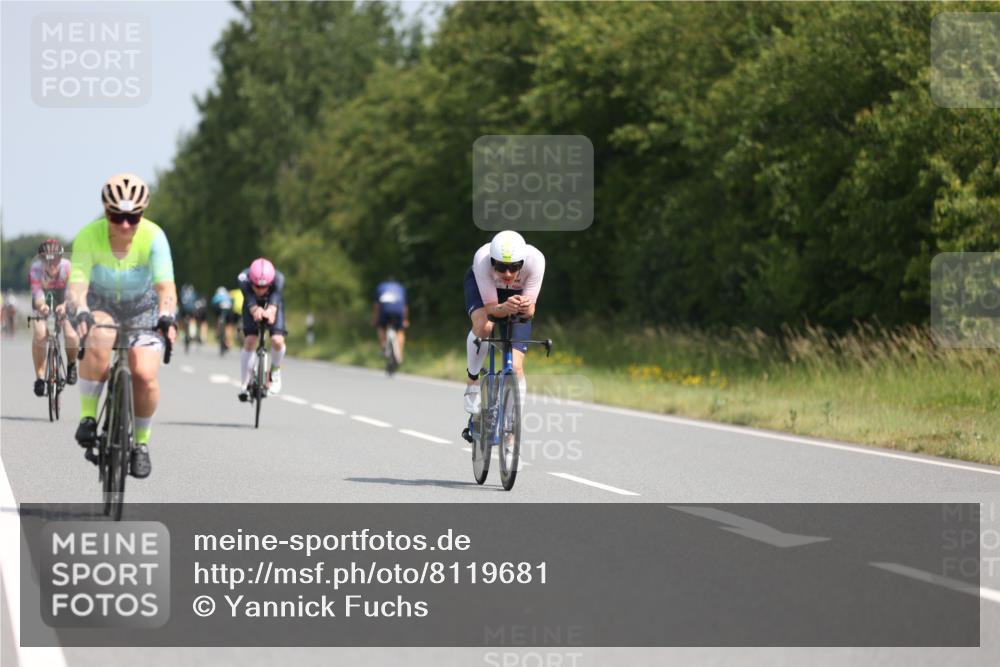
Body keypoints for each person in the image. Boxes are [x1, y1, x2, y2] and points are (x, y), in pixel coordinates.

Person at [69, 173, 177, 479]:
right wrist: (80, 309)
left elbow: (166, 287)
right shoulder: (89, 236)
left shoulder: (154, 236)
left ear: (142, 214)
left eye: (133, 217)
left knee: (143, 374)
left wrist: (167, 315)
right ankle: (89, 417)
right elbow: (77, 284)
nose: (126, 225)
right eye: (117, 217)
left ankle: (140, 444)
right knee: (100, 336)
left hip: (143, 309)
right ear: (106, 212)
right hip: (102, 304)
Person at [462, 230, 545, 416]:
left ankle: (511, 430)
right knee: (484, 326)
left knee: (515, 368)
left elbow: (530, 312)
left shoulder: (536, 261)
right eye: (500, 267)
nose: (507, 273)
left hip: (516, 295)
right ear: (492, 261)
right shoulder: (482, 258)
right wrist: (504, 307)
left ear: (522, 262)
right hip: (484, 290)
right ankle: (472, 380)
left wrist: (525, 307)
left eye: (514, 267)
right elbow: (491, 309)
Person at [28, 239, 80, 395]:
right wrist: (42, 306)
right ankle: (40, 378)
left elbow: (72, 293)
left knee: (70, 334)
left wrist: (64, 306)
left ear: (60, 258)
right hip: (44, 301)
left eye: (55, 260)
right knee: (39, 334)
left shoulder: (67, 268)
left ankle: (71, 364)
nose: (51, 264)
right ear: (41, 259)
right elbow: (37, 294)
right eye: (46, 260)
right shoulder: (36, 269)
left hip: (64, 299)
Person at [236, 258, 287, 400]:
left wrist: (270, 312)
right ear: (251, 281)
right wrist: (255, 310)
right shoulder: (243, 279)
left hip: (273, 303)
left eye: (264, 287)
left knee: (277, 339)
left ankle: (275, 370)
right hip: (251, 304)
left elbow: (274, 303)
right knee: (251, 339)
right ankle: (245, 383)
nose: (260, 290)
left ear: (270, 283)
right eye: (257, 286)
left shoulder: (279, 279)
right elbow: (251, 302)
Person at [372, 278, 409, 363]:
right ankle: (399, 354)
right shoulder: (401, 288)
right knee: (400, 331)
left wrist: (375, 320)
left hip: (385, 310)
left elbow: (377, 306)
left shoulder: (380, 287)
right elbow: (405, 307)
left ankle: (384, 346)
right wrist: (405, 320)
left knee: (381, 327)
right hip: (398, 311)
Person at [210, 286, 235, 352]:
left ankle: (218, 332)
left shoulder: (217, 296)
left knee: (217, 318)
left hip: (219, 311)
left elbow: (212, 304)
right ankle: (228, 342)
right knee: (229, 326)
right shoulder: (228, 295)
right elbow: (233, 303)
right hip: (228, 311)